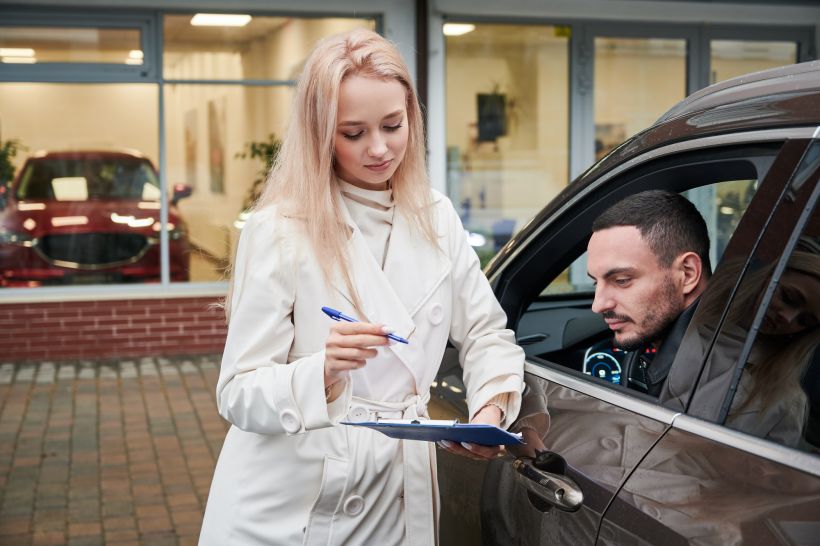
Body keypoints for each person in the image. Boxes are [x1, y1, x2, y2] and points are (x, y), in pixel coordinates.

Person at [198, 29, 524, 546]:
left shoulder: (436, 217)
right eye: (353, 133)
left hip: (399, 487)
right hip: (294, 505)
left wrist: (490, 410)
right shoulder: (280, 228)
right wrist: (322, 372)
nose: (379, 149)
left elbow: (486, 333)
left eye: (393, 126)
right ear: (319, 132)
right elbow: (237, 393)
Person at [586, 189, 711, 396]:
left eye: (621, 281)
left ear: (687, 273)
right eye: (595, 283)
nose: (597, 305)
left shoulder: (713, 383)